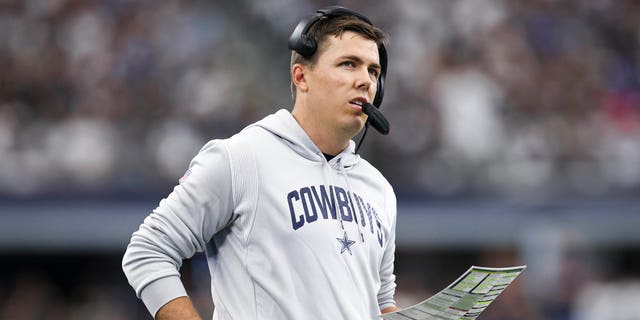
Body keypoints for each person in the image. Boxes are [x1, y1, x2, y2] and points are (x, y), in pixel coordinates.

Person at [122, 6, 399, 320]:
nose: (365, 81)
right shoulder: (242, 158)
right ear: (301, 76)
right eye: (349, 64)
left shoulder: (379, 189)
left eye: (373, 71)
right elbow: (148, 251)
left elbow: (380, 300)